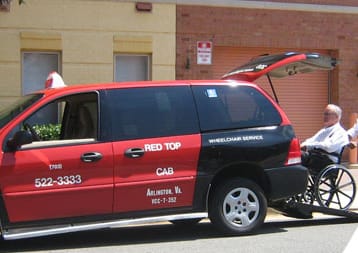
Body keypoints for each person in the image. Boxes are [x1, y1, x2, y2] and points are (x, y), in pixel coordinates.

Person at [300, 104, 349, 172]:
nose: (324, 116)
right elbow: (311, 140)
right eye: (324, 114)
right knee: (294, 154)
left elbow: (329, 147)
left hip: (328, 162)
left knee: (299, 156)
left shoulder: (340, 132)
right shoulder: (324, 130)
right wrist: (302, 145)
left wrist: (310, 146)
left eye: (327, 114)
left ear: (336, 117)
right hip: (317, 157)